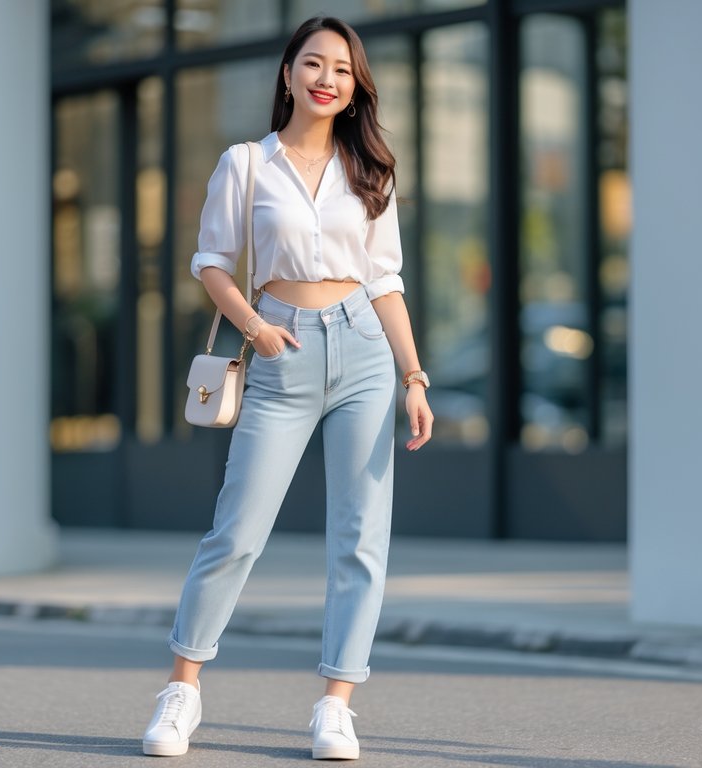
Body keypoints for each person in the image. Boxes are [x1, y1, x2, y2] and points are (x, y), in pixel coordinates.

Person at [142, 15, 433, 761]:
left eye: (340, 68)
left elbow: (386, 281)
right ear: (287, 74)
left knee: (360, 538)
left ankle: (335, 704)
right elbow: (210, 260)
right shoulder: (246, 163)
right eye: (312, 63)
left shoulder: (370, 171)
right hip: (278, 349)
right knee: (236, 531)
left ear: (354, 85)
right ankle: (181, 691)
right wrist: (254, 325)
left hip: (365, 351)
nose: (326, 78)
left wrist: (413, 376)